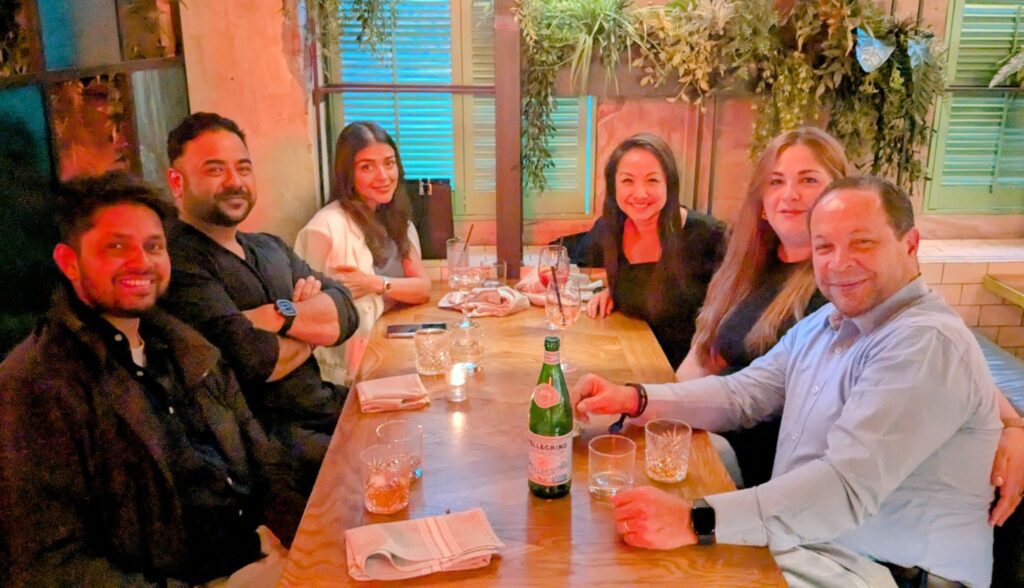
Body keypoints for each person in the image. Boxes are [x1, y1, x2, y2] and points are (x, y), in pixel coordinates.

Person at [574, 176, 1004, 587]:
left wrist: (693, 518)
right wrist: (633, 398)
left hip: (878, 569)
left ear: (910, 244)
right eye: (825, 246)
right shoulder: (830, 320)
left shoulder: (924, 341)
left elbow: (843, 488)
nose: (839, 263)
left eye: (862, 243)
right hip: (808, 542)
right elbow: (742, 394)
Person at [0, 172, 304, 585]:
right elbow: (51, 565)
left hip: (263, 555)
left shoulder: (182, 344)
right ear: (69, 262)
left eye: (153, 246)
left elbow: (262, 456)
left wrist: (306, 540)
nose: (141, 261)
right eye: (117, 246)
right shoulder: (35, 383)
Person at [161, 112, 359, 489]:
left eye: (243, 168)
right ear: (176, 182)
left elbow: (346, 310)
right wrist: (313, 330)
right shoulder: (178, 263)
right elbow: (254, 360)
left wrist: (279, 316)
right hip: (273, 450)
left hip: (325, 409)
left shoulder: (269, 247)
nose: (234, 182)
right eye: (215, 169)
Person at [677, 127, 846, 487]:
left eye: (809, 180)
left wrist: (1001, 424)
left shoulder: (840, 285)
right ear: (763, 204)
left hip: (765, 473)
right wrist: (662, 410)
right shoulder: (748, 264)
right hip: (711, 435)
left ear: (838, 194)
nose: (790, 194)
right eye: (776, 181)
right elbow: (703, 354)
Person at [295, 121, 430, 385]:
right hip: (344, 370)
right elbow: (309, 313)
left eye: (389, 163)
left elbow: (422, 289)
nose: (383, 176)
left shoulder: (398, 221)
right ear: (348, 174)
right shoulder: (325, 228)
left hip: (389, 346)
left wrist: (374, 284)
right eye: (367, 167)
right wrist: (394, 290)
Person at [584, 133, 726, 369]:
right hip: (632, 362)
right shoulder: (610, 229)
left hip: (691, 374)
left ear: (669, 183)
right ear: (613, 186)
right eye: (627, 181)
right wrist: (614, 290)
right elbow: (569, 256)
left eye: (652, 180)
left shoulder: (708, 236)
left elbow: (732, 316)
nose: (640, 193)